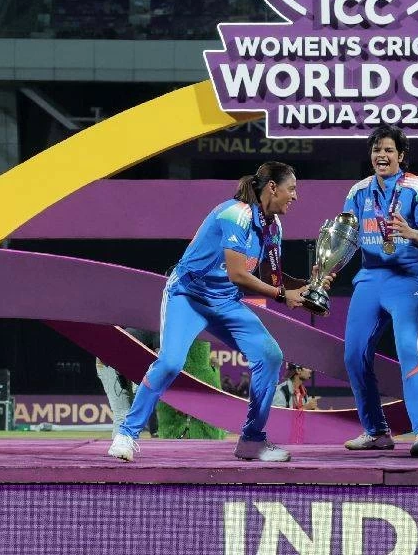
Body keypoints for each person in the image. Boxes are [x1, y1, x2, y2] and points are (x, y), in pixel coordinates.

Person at [108, 162, 321, 463]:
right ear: (273, 187)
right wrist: (283, 296)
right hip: (188, 296)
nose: (295, 196)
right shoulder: (236, 214)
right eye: (292, 189)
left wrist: (311, 286)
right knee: (170, 363)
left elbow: (276, 280)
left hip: (225, 301)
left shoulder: (273, 226)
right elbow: (238, 274)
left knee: (270, 355)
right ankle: (127, 434)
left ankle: (251, 440)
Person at [339, 125, 418, 456]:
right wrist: (327, 272)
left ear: (400, 155)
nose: (381, 156)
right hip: (370, 277)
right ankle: (376, 431)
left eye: (388, 150)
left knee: (408, 351)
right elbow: (346, 240)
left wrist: (411, 233)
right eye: (376, 150)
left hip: (409, 277)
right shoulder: (358, 192)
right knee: (353, 354)